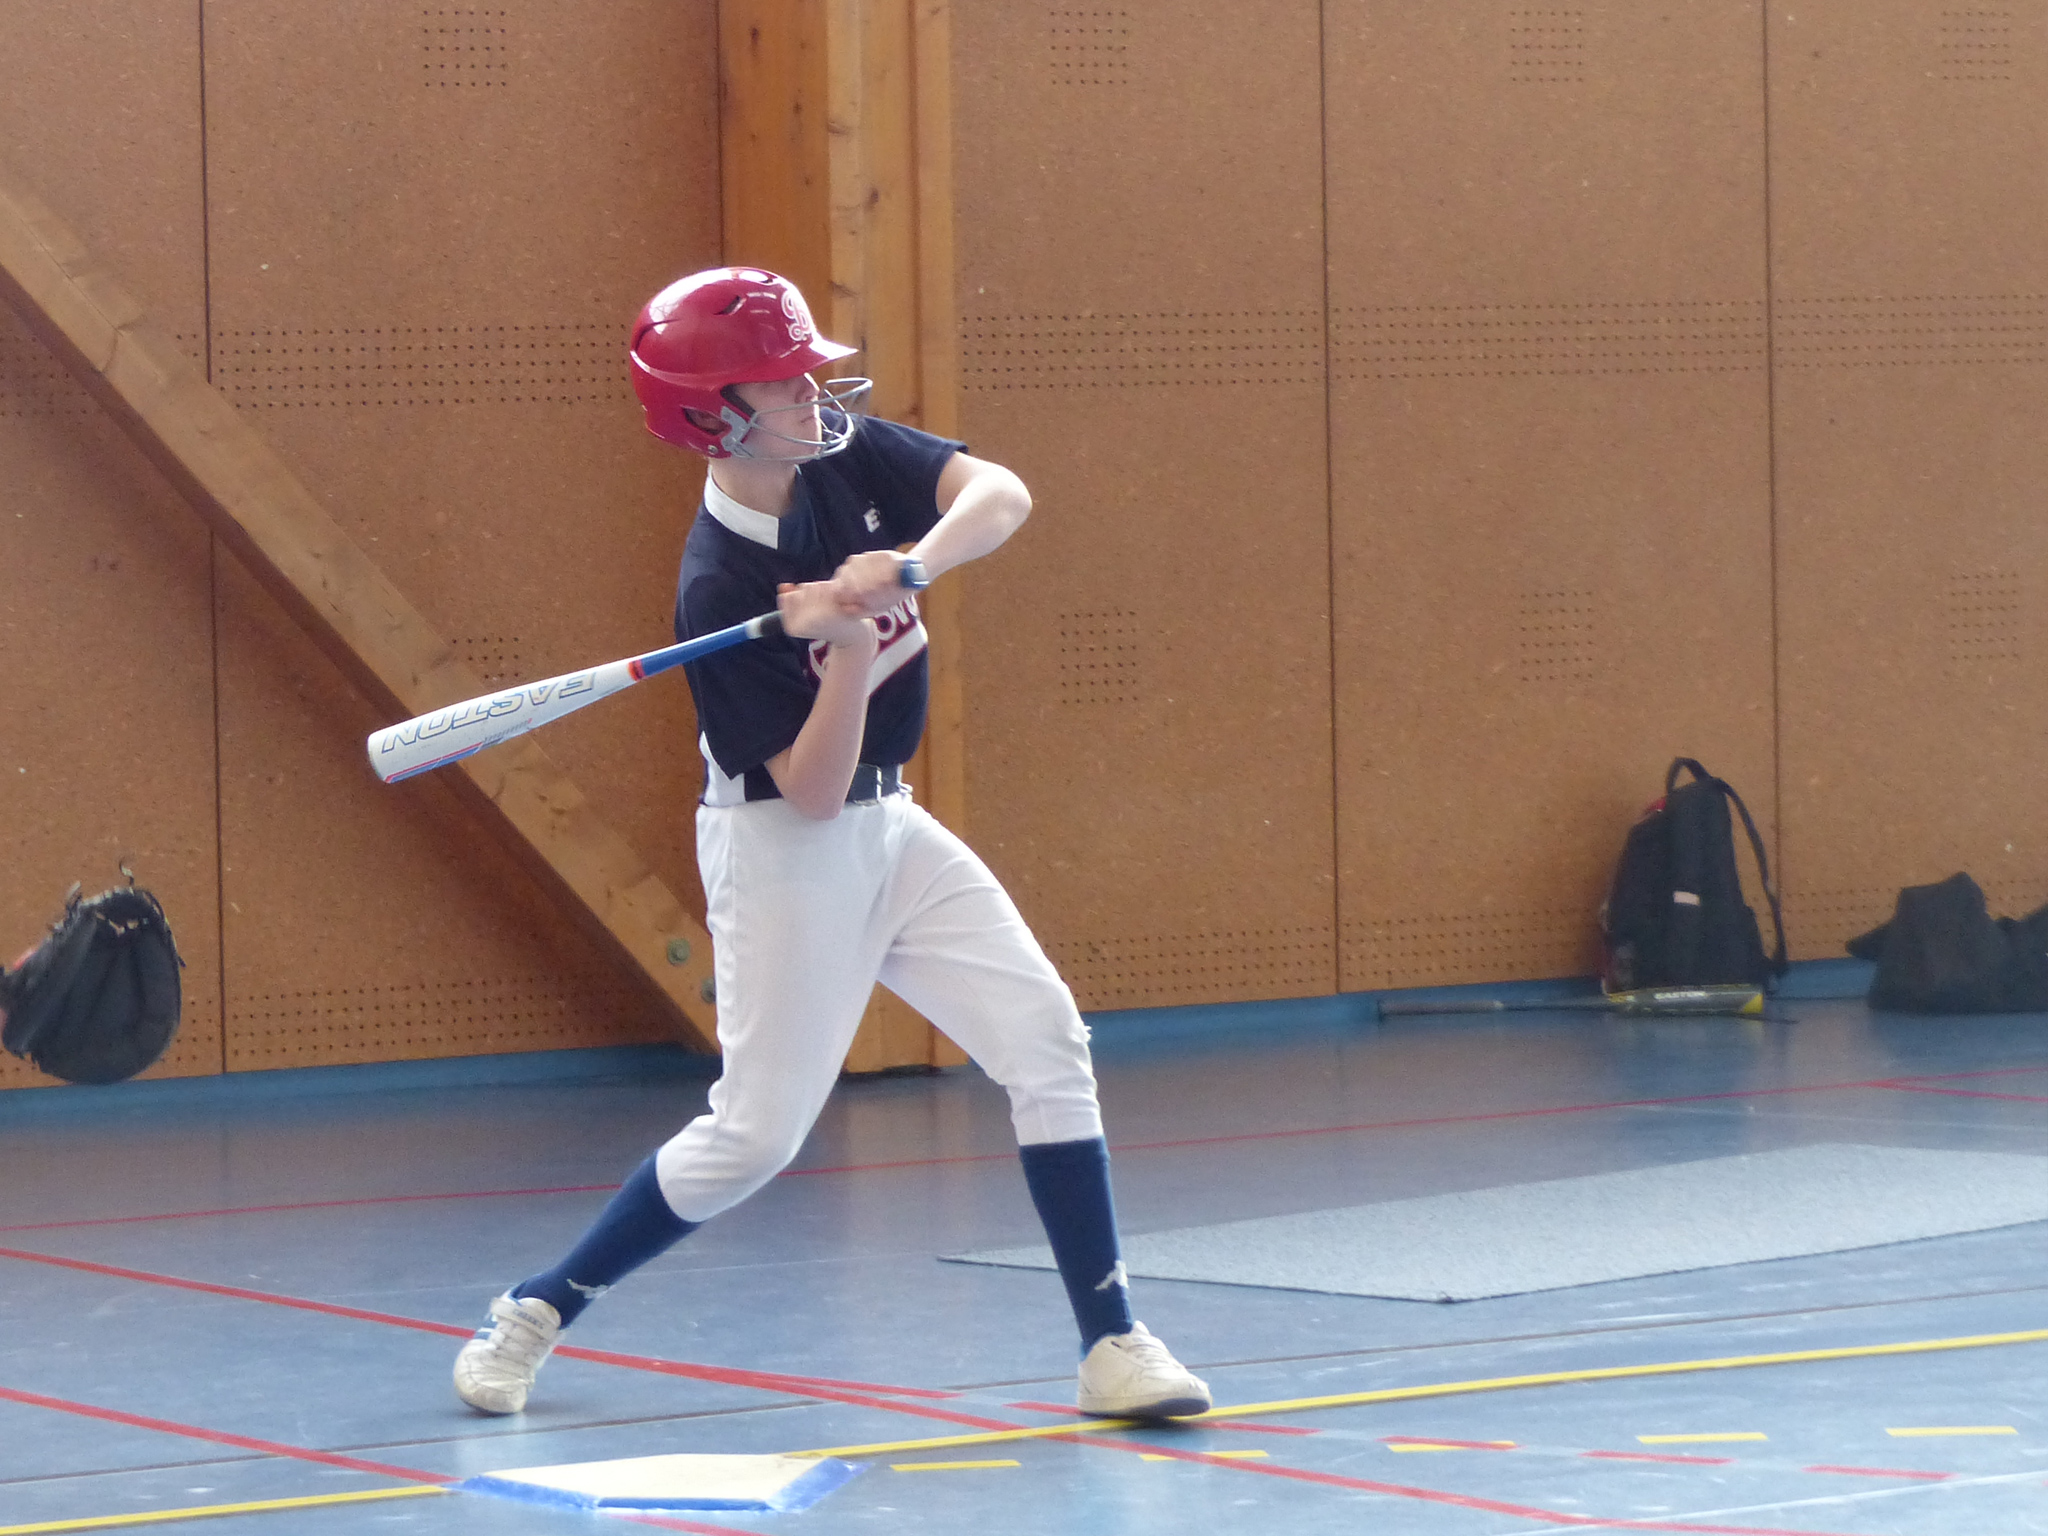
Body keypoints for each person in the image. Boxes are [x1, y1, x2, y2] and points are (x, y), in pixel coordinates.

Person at [451, 267, 1210, 1422]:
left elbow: (1000, 494)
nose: (813, 393)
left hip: (891, 825)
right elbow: (805, 794)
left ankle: (1112, 1344)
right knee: (754, 1138)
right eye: (783, 380)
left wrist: (912, 565)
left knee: (1045, 1041)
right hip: (782, 854)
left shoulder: (845, 458)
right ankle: (536, 1309)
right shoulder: (716, 588)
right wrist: (847, 650)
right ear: (711, 415)